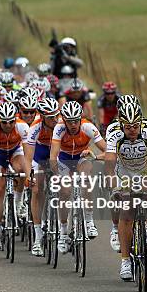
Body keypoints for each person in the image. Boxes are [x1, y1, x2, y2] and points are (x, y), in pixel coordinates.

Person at [105, 102, 147, 281]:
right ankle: (125, 261)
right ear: (121, 124)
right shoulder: (115, 134)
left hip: (146, 168)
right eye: (128, 126)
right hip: (124, 171)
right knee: (127, 212)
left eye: (135, 126)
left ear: (141, 122)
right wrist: (114, 184)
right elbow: (110, 164)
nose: (132, 130)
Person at [49, 101, 106, 254]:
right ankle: (62, 233)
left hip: (82, 157)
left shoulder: (88, 127)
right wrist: (57, 176)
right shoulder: (59, 128)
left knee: (86, 178)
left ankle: (89, 221)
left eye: (76, 120)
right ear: (64, 120)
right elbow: (53, 156)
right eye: (70, 121)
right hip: (64, 160)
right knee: (65, 192)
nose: (73, 124)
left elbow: (109, 150)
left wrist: (96, 156)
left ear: (80, 119)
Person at [0, 102, 29, 250]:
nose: (8, 125)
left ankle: (19, 202)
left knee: (20, 169)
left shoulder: (22, 126)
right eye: (4, 122)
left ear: (15, 119)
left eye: (11, 121)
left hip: (15, 151)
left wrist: (28, 176)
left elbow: (28, 155)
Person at [24, 98, 60, 256]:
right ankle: (38, 237)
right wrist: (28, 175)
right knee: (37, 189)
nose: (54, 119)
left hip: (57, 153)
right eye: (50, 117)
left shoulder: (61, 124)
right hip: (39, 155)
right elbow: (28, 156)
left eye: (56, 115)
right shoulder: (35, 127)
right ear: (43, 117)